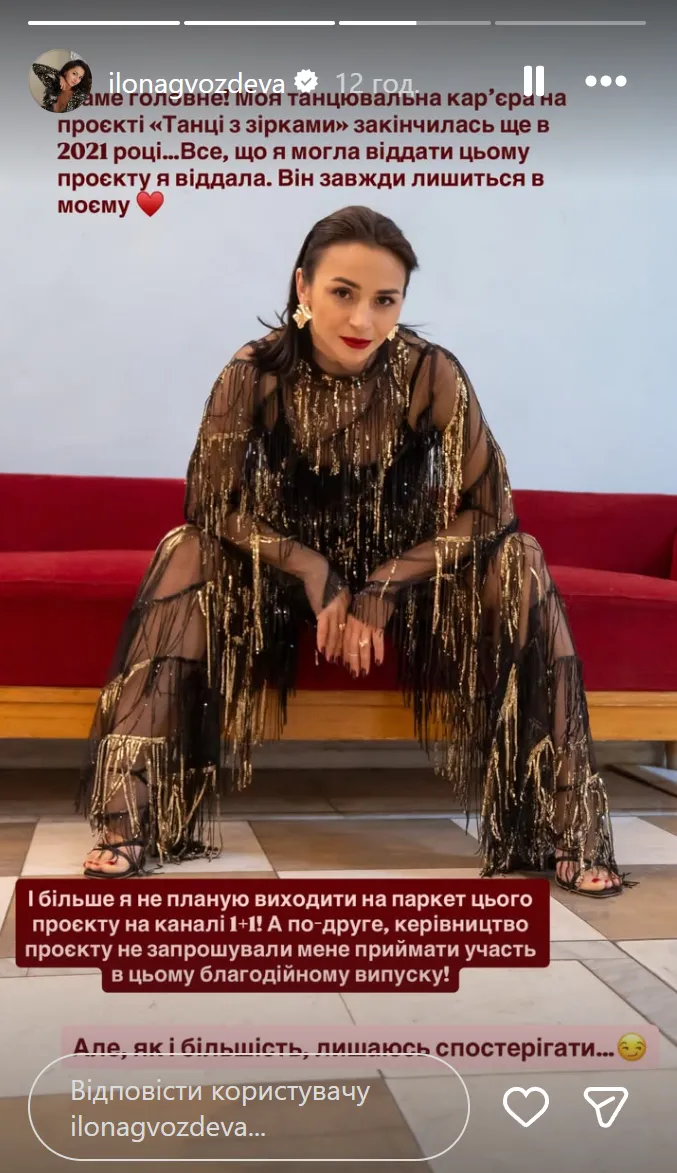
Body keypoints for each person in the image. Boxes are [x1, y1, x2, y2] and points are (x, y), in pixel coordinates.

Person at [79, 204, 631, 897]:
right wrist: (313, 569)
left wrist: (384, 583)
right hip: (280, 582)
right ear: (303, 286)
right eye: (343, 292)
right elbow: (212, 505)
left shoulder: (429, 372)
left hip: (410, 582)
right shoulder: (253, 371)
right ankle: (125, 818)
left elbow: (491, 508)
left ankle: (570, 825)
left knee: (522, 555)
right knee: (183, 548)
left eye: (384, 300)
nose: (362, 320)